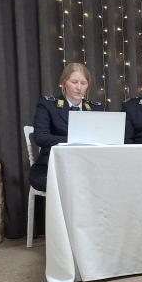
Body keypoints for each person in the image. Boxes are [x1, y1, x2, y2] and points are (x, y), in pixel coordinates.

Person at [30, 63, 104, 192]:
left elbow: (103, 138)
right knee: (67, 184)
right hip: (53, 165)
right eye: (74, 82)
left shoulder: (96, 108)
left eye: (83, 83)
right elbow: (40, 137)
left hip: (88, 165)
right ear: (64, 82)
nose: (79, 87)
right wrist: (76, 140)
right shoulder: (48, 105)